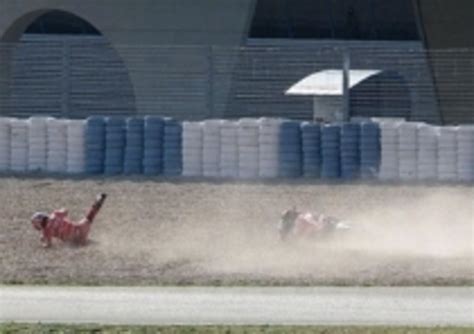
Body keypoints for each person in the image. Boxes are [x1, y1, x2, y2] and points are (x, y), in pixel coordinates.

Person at [31, 193, 107, 248]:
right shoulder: (55, 214)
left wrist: (43, 242)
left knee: (86, 242)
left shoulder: (46, 230)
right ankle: (97, 203)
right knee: (89, 217)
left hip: (74, 239)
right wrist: (60, 212)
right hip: (80, 227)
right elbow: (65, 211)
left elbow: (49, 245)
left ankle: (99, 244)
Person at [278, 206, 344, 241]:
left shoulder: (300, 217)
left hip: (312, 227)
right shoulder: (285, 225)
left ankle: (336, 223)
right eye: (289, 215)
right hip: (309, 232)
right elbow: (283, 236)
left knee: (322, 219)